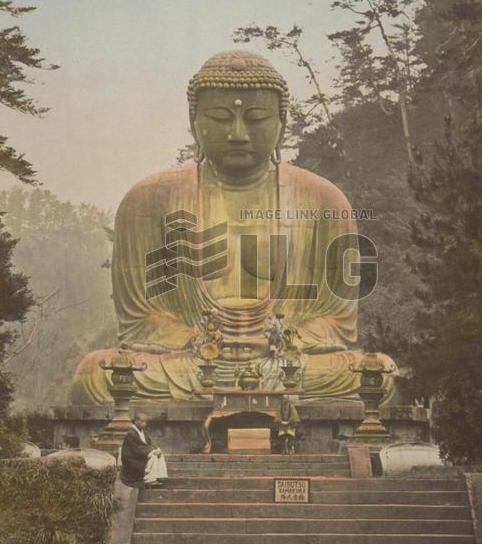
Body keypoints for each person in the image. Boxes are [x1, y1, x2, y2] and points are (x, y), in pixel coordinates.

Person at [72, 50, 399, 405]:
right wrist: (199, 341)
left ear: (281, 123)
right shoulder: (147, 200)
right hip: (191, 362)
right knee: (95, 374)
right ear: (195, 121)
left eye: (256, 118)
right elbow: (140, 320)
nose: (238, 134)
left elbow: (336, 321)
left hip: (285, 361)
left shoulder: (324, 200)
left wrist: (281, 339)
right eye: (220, 118)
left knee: (376, 372)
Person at [119, 414, 168, 489]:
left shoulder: (143, 433)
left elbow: (149, 443)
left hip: (140, 455)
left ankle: (159, 476)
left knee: (159, 454)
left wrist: (156, 448)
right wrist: (152, 451)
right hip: (132, 459)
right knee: (153, 455)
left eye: (145, 422)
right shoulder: (131, 434)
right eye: (142, 421)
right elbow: (137, 447)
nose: (144, 424)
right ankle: (149, 479)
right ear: (136, 421)